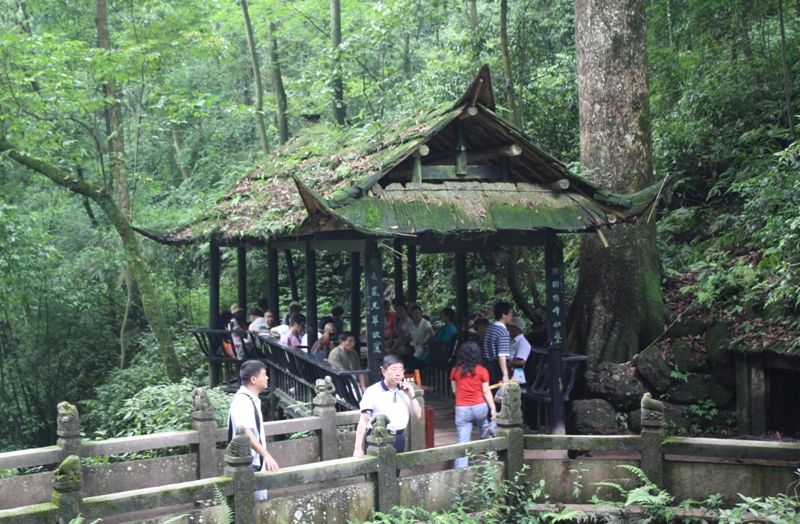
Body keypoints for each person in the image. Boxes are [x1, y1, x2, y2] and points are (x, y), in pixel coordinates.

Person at [227, 360, 279, 500]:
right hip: (247, 466)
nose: (267, 377)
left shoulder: (251, 399)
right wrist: (266, 455)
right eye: (264, 374)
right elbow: (247, 433)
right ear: (254, 379)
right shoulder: (243, 401)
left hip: (252, 465)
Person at [353, 355, 422, 459]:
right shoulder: (372, 391)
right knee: (376, 473)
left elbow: (417, 415)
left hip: (399, 436)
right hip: (377, 438)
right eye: (394, 369)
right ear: (384, 372)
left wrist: (412, 396)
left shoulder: (405, 391)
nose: (398, 373)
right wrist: (358, 448)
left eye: (401, 369)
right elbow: (363, 421)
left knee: (395, 473)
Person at [450, 341, 497, 468]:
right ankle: (490, 465)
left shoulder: (455, 371)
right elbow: (486, 391)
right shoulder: (482, 371)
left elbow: (455, 391)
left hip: (462, 409)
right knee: (485, 427)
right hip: (479, 407)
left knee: (463, 444)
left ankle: (459, 475)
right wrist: (493, 408)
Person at [482, 302, 513, 385]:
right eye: (510, 314)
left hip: (486, 365)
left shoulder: (490, 328)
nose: (511, 316)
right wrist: (505, 375)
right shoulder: (503, 332)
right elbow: (502, 355)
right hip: (497, 368)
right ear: (503, 315)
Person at [507, 317, 531, 383]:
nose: (508, 329)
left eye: (510, 327)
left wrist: (506, 364)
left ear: (516, 329)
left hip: (514, 374)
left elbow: (521, 362)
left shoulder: (523, 343)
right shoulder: (512, 340)